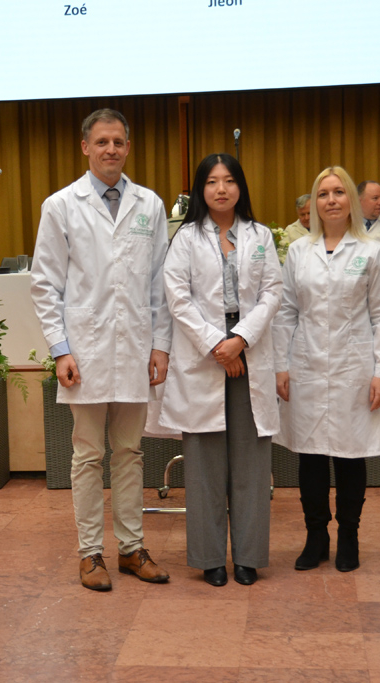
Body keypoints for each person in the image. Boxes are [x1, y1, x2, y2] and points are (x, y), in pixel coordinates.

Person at [30, 108, 173, 591]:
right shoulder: (61, 205)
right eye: (102, 142)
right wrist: (60, 349)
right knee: (88, 454)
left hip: (135, 348)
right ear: (85, 147)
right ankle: (90, 554)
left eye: (118, 142)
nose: (110, 149)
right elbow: (45, 283)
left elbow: (160, 283)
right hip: (85, 351)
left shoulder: (149, 205)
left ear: (128, 148)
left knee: (130, 452)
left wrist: (161, 346)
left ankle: (131, 549)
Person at [160, 153, 283, 587]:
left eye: (229, 180)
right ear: (201, 189)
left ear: (240, 187)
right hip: (205, 351)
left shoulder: (260, 235)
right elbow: (177, 298)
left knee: (251, 462)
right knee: (204, 465)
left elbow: (272, 292)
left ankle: (248, 556)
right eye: (212, 181)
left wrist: (240, 339)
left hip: (249, 349)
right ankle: (209, 557)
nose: (221, 189)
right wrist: (217, 344)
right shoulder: (185, 238)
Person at [273, 166, 380, 573]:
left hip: (353, 368)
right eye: (323, 193)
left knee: (349, 455)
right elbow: (286, 311)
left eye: (339, 192)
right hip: (306, 365)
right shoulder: (299, 251)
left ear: (351, 201)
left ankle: (349, 536)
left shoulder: (372, 251)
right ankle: (316, 536)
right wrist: (280, 365)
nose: (331, 200)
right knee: (310, 456)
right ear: (314, 202)